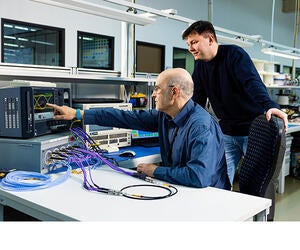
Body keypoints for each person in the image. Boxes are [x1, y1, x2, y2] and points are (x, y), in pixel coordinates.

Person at [47, 68, 231, 190]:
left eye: (158, 89)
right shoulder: (166, 116)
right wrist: (78, 114)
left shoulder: (201, 126)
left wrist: (154, 170)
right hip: (183, 189)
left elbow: (198, 177)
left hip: (208, 199)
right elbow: (125, 117)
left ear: (174, 92)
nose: (153, 94)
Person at [182, 20, 288, 185]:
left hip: (252, 132)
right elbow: (197, 98)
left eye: (194, 42)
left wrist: (270, 106)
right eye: (188, 44)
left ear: (210, 39)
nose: (190, 48)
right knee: (219, 182)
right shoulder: (200, 65)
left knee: (256, 185)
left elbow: (252, 83)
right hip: (226, 133)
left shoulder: (234, 55)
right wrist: (184, 121)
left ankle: (259, 211)